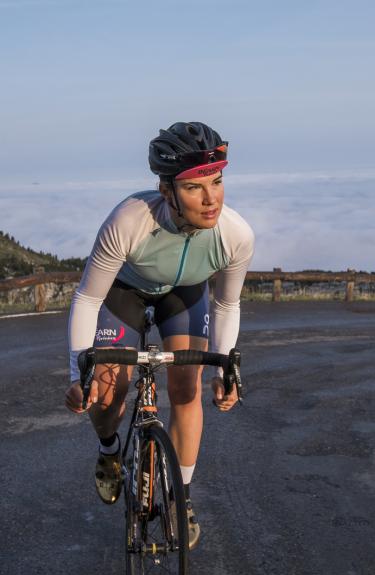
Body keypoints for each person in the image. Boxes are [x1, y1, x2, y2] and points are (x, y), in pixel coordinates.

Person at [64, 122, 254, 550]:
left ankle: (181, 497)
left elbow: (226, 305)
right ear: (167, 191)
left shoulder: (235, 235)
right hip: (123, 291)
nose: (211, 199)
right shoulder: (129, 220)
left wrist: (225, 368)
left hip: (184, 294)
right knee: (108, 390)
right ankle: (111, 449)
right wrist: (79, 372)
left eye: (218, 181)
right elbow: (88, 298)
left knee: (187, 388)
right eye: (194, 188)